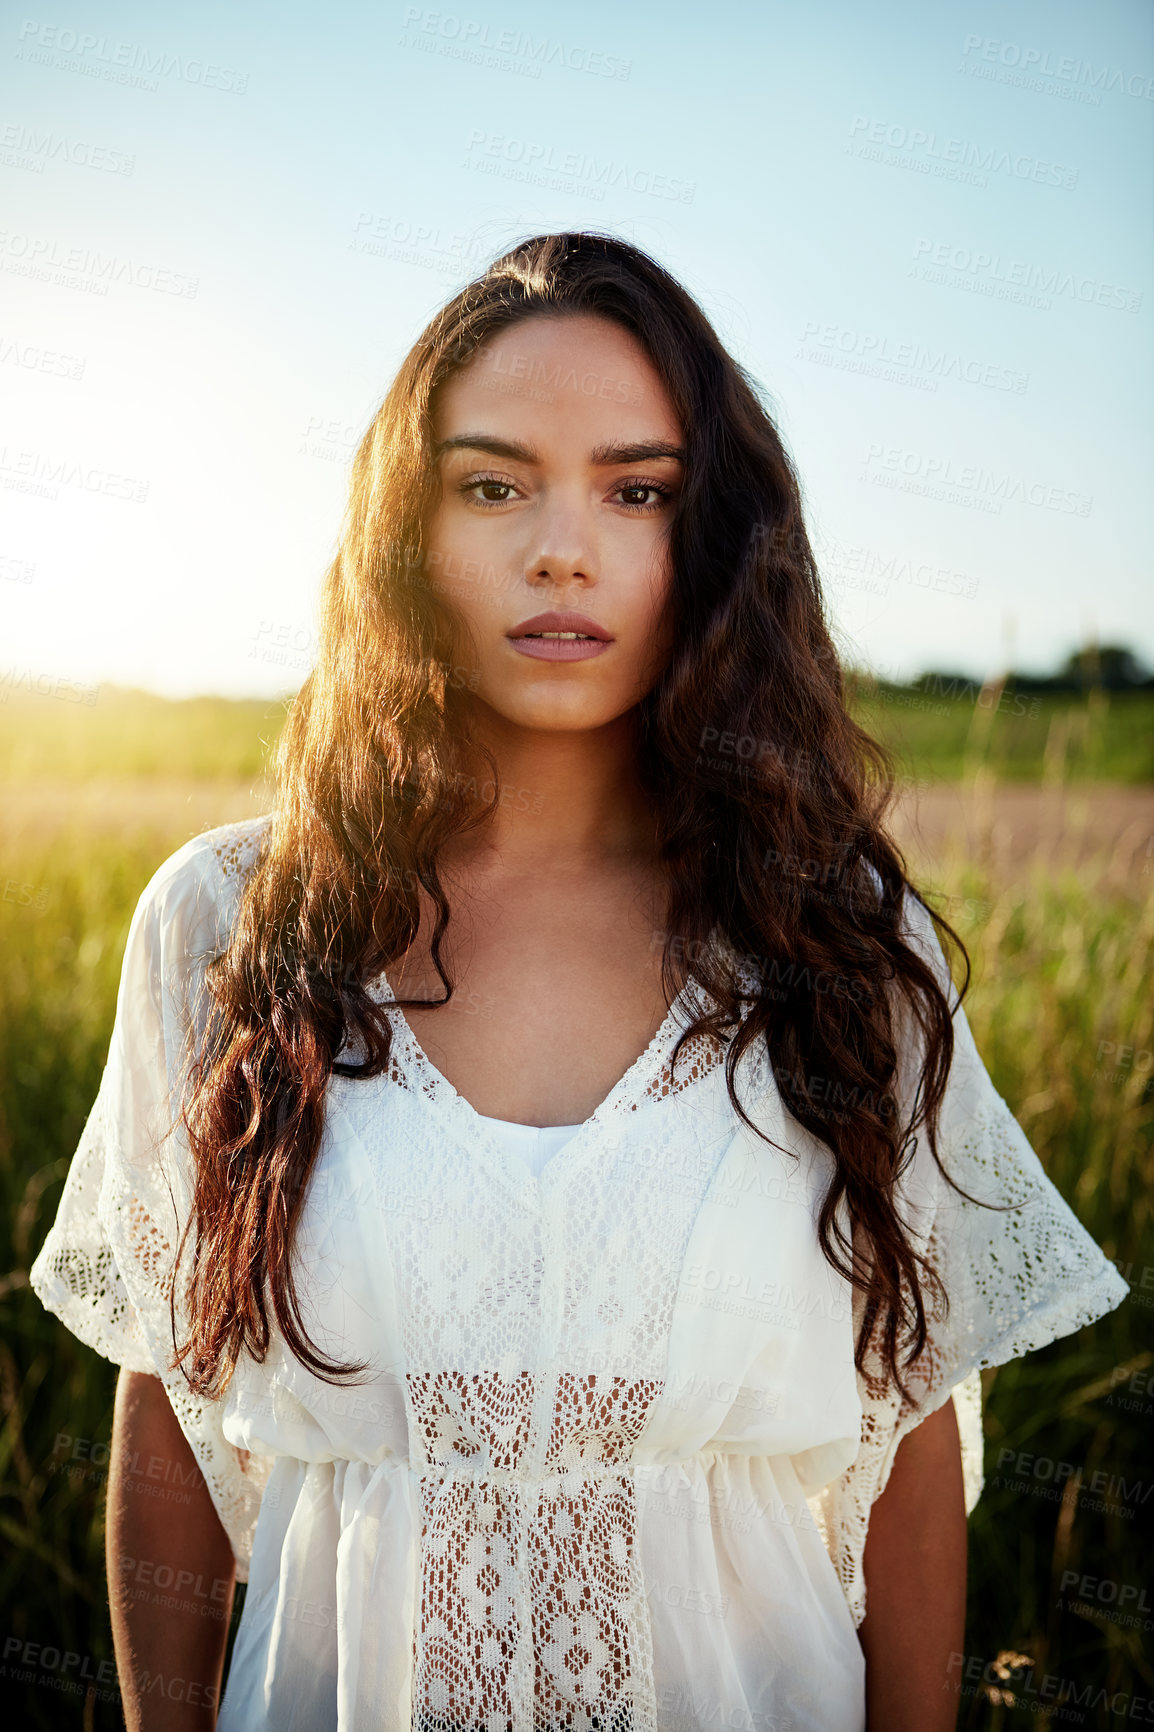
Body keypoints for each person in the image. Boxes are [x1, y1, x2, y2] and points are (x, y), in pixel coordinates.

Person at [31, 232, 1126, 1732]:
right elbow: (167, 1400)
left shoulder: (835, 939)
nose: (561, 548)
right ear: (404, 533)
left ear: (715, 532)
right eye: (493, 485)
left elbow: (912, 1428)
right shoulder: (231, 920)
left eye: (635, 490)